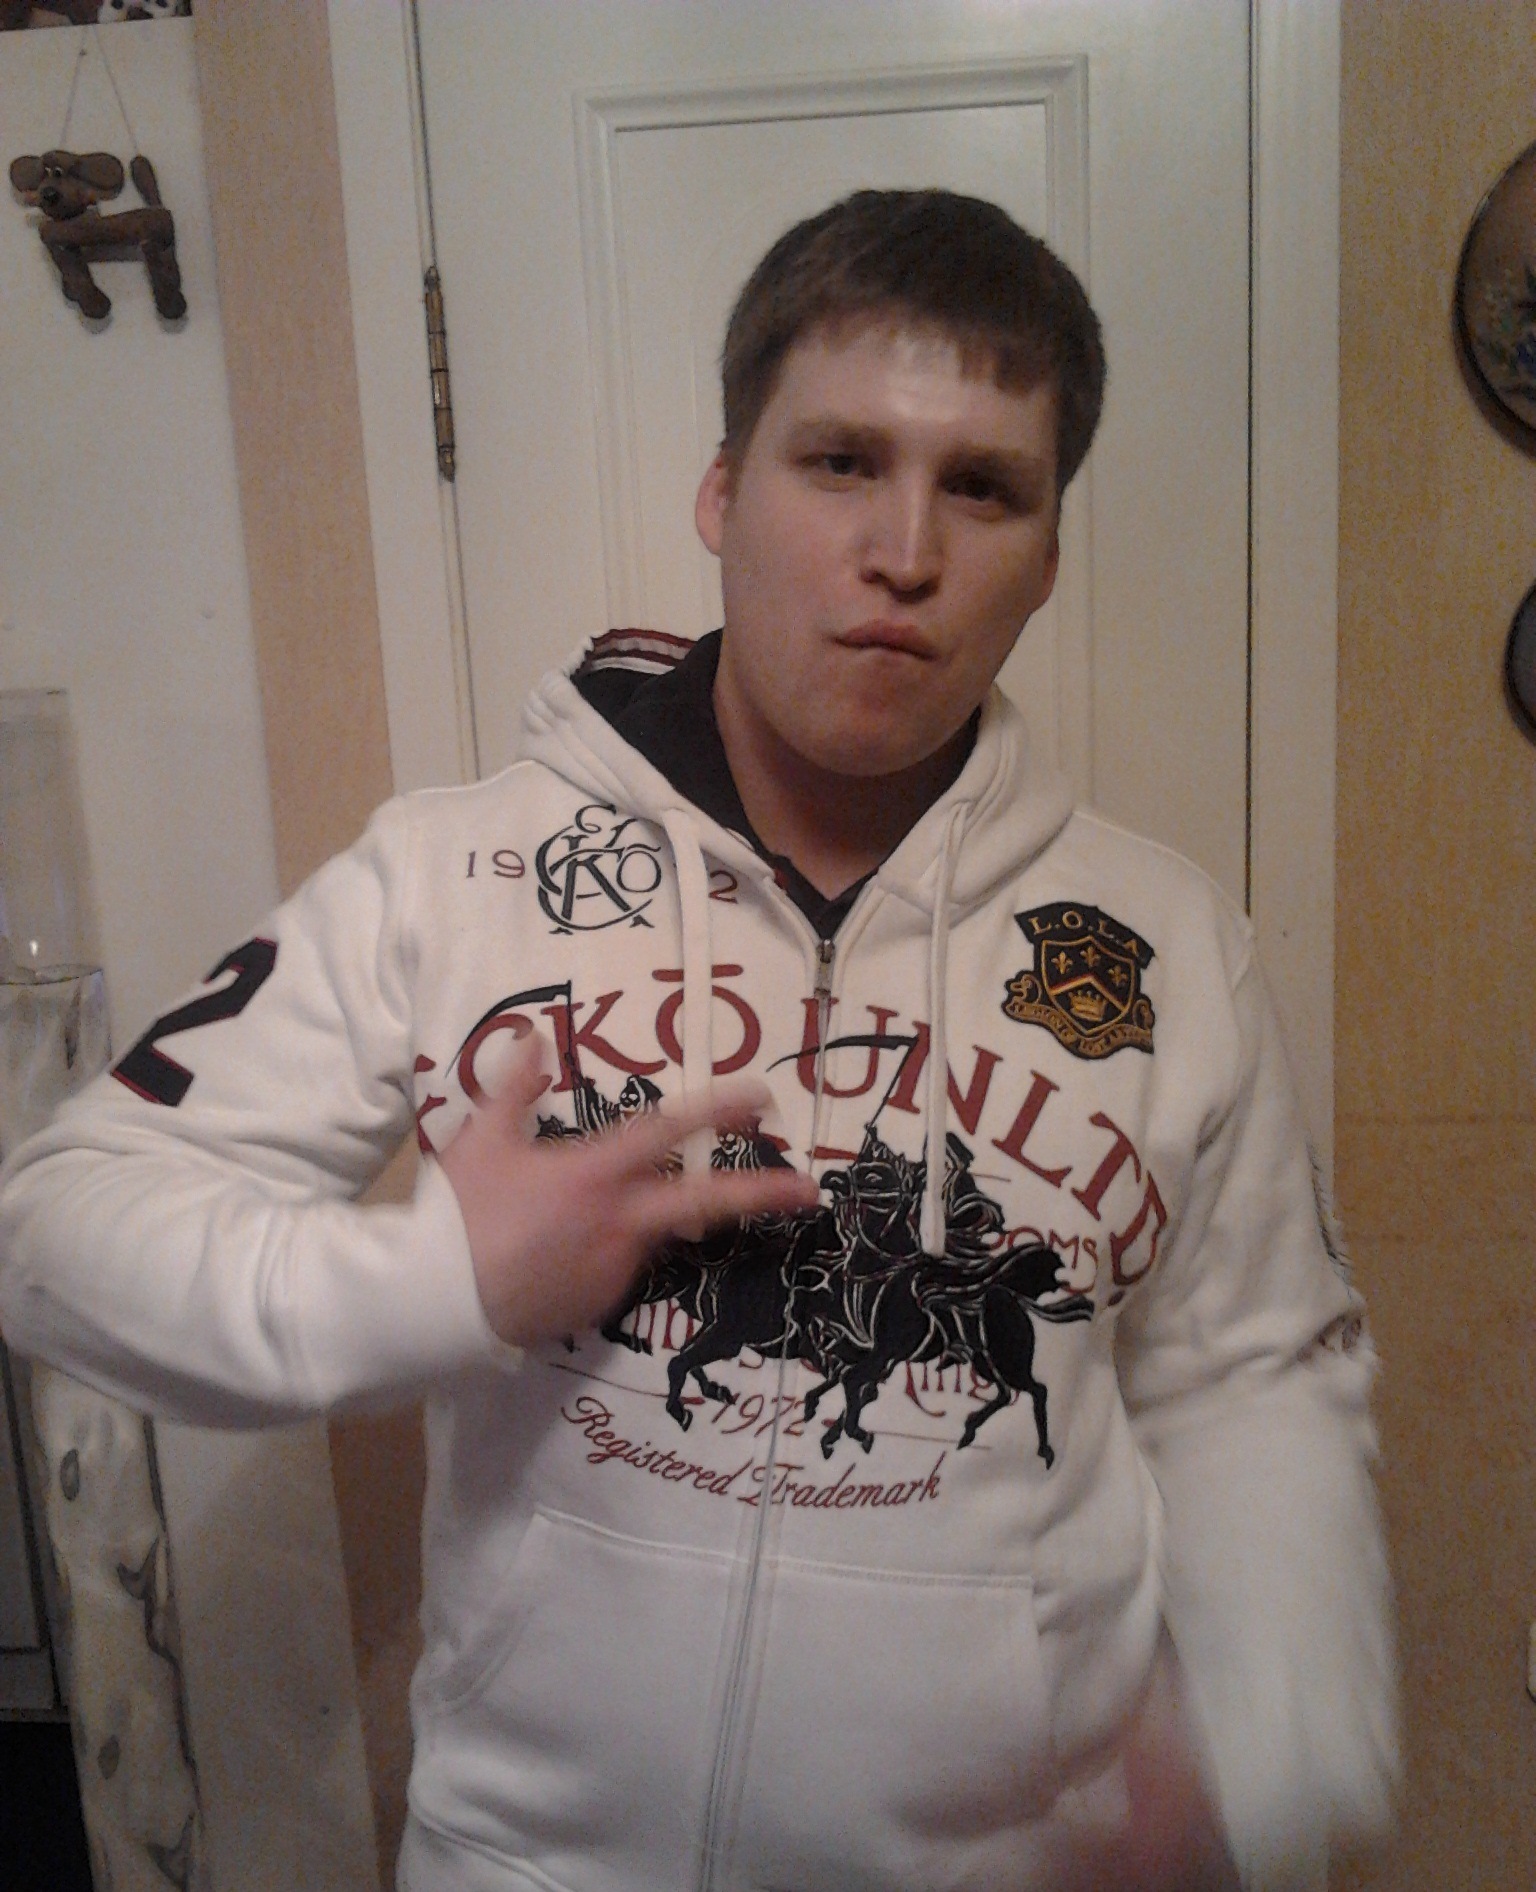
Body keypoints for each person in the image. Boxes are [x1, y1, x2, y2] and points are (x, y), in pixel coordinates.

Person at [0, 190, 1396, 1892]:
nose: (906, 550)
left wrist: (1268, 1750)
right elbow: (57, 1235)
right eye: (840, 462)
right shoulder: (451, 875)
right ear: (723, 495)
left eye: (984, 487)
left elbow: (1256, 1380)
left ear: (1046, 557)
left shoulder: (1169, 949)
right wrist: (438, 1283)